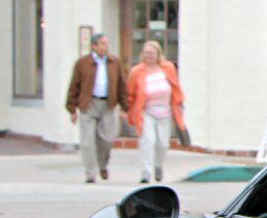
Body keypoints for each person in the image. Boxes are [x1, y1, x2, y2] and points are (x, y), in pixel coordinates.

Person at [66, 33, 127, 182]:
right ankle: (90, 173)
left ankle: (102, 165)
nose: (106, 47)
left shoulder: (114, 62)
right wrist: (72, 109)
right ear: (94, 46)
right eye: (103, 44)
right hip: (88, 104)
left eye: (107, 44)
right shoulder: (82, 63)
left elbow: (121, 85)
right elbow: (74, 86)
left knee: (106, 139)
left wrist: (125, 107)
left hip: (107, 104)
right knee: (87, 141)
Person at [126, 39, 184, 183]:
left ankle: (158, 165)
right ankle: (146, 172)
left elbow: (175, 88)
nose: (149, 56)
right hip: (146, 112)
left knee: (163, 144)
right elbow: (130, 93)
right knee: (148, 141)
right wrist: (127, 110)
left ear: (158, 54)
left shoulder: (168, 68)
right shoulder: (137, 71)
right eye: (146, 53)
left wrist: (179, 103)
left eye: (152, 53)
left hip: (165, 111)